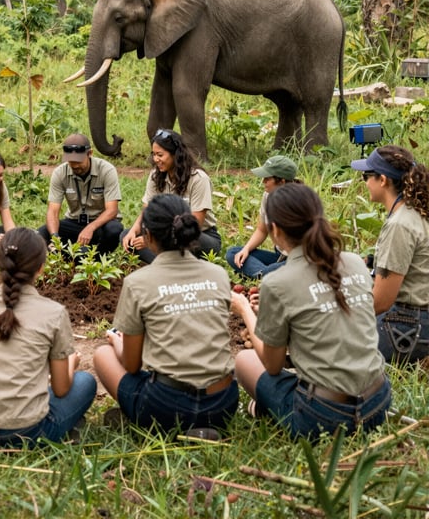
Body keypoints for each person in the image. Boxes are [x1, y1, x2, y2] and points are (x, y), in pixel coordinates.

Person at [231, 183, 391, 440]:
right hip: (378, 404)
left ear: (274, 230)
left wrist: (245, 312)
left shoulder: (277, 282)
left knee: (244, 361)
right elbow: (326, 314)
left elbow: (272, 366)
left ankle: (271, 410)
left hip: (324, 416)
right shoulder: (353, 262)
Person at [94, 195, 238, 435]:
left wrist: (119, 344)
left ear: (147, 236)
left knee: (102, 355)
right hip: (222, 403)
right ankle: (203, 427)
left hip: (166, 405)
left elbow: (131, 365)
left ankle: (150, 421)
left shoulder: (137, 282)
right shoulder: (218, 274)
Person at [0, 228, 97, 446]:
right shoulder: (54, 313)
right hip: (28, 433)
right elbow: (61, 388)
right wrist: (71, 362)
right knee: (85, 382)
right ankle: (64, 429)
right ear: (41, 268)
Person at [351, 145, 429, 364]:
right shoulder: (418, 209)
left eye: (367, 176)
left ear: (382, 180)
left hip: (408, 323)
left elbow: (381, 302)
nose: (365, 182)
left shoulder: (400, 224)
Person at [122, 129, 220, 263]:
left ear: (175, 154)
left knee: (185, 241)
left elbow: (196, 224)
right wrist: (134, 230)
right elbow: (147, 210)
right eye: (154, 154)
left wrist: (153, 240)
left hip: (198, 235)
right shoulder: (156, 175)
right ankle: (171, 265)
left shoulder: (198, 179)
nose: (156, 159)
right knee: (126, 236)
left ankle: (164, 264)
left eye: (160, 155)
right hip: (164, 234)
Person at [38, 133, 123, 255]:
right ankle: (70, 254)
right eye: (70, 162)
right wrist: (55, 237)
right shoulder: (60, 173)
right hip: (74, 222)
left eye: (78, 161)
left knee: (114, 230)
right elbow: (53, 211)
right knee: (42, 232)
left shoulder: (107, 170)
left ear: (90, 153)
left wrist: (91, 228)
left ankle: (95, 257)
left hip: (100, 225)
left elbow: (112, 210)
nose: (74, 165)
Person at [226, 155, 299, 279]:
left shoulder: (300, 201)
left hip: (299, 259)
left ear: (282, 181)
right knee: (233, 253)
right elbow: (261, 230)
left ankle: (263, 274)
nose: (263, 182)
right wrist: (246, 249)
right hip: (280, 256)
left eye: (267, 178)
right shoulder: (268, 196)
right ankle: (265, 274)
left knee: (270, 270)